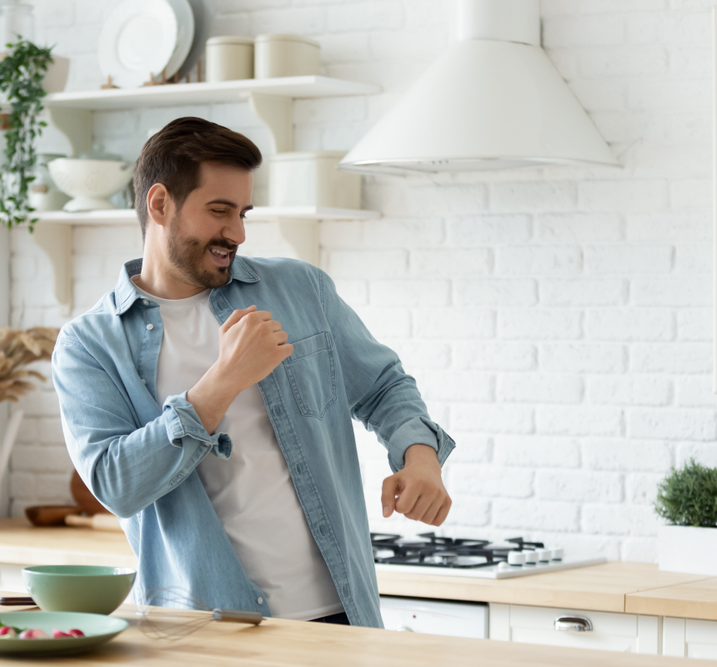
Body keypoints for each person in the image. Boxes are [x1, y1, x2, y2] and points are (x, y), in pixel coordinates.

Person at [52, 117, 455, 628]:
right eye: (219, 211)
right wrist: (222, 382)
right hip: (206, 628)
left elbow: (383, 386)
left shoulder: (300, 289)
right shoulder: (90, 344)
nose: (237, 233)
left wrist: (420, 458)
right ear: (159, 205)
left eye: (243, 213)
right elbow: (115, 484)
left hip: (340, 617)